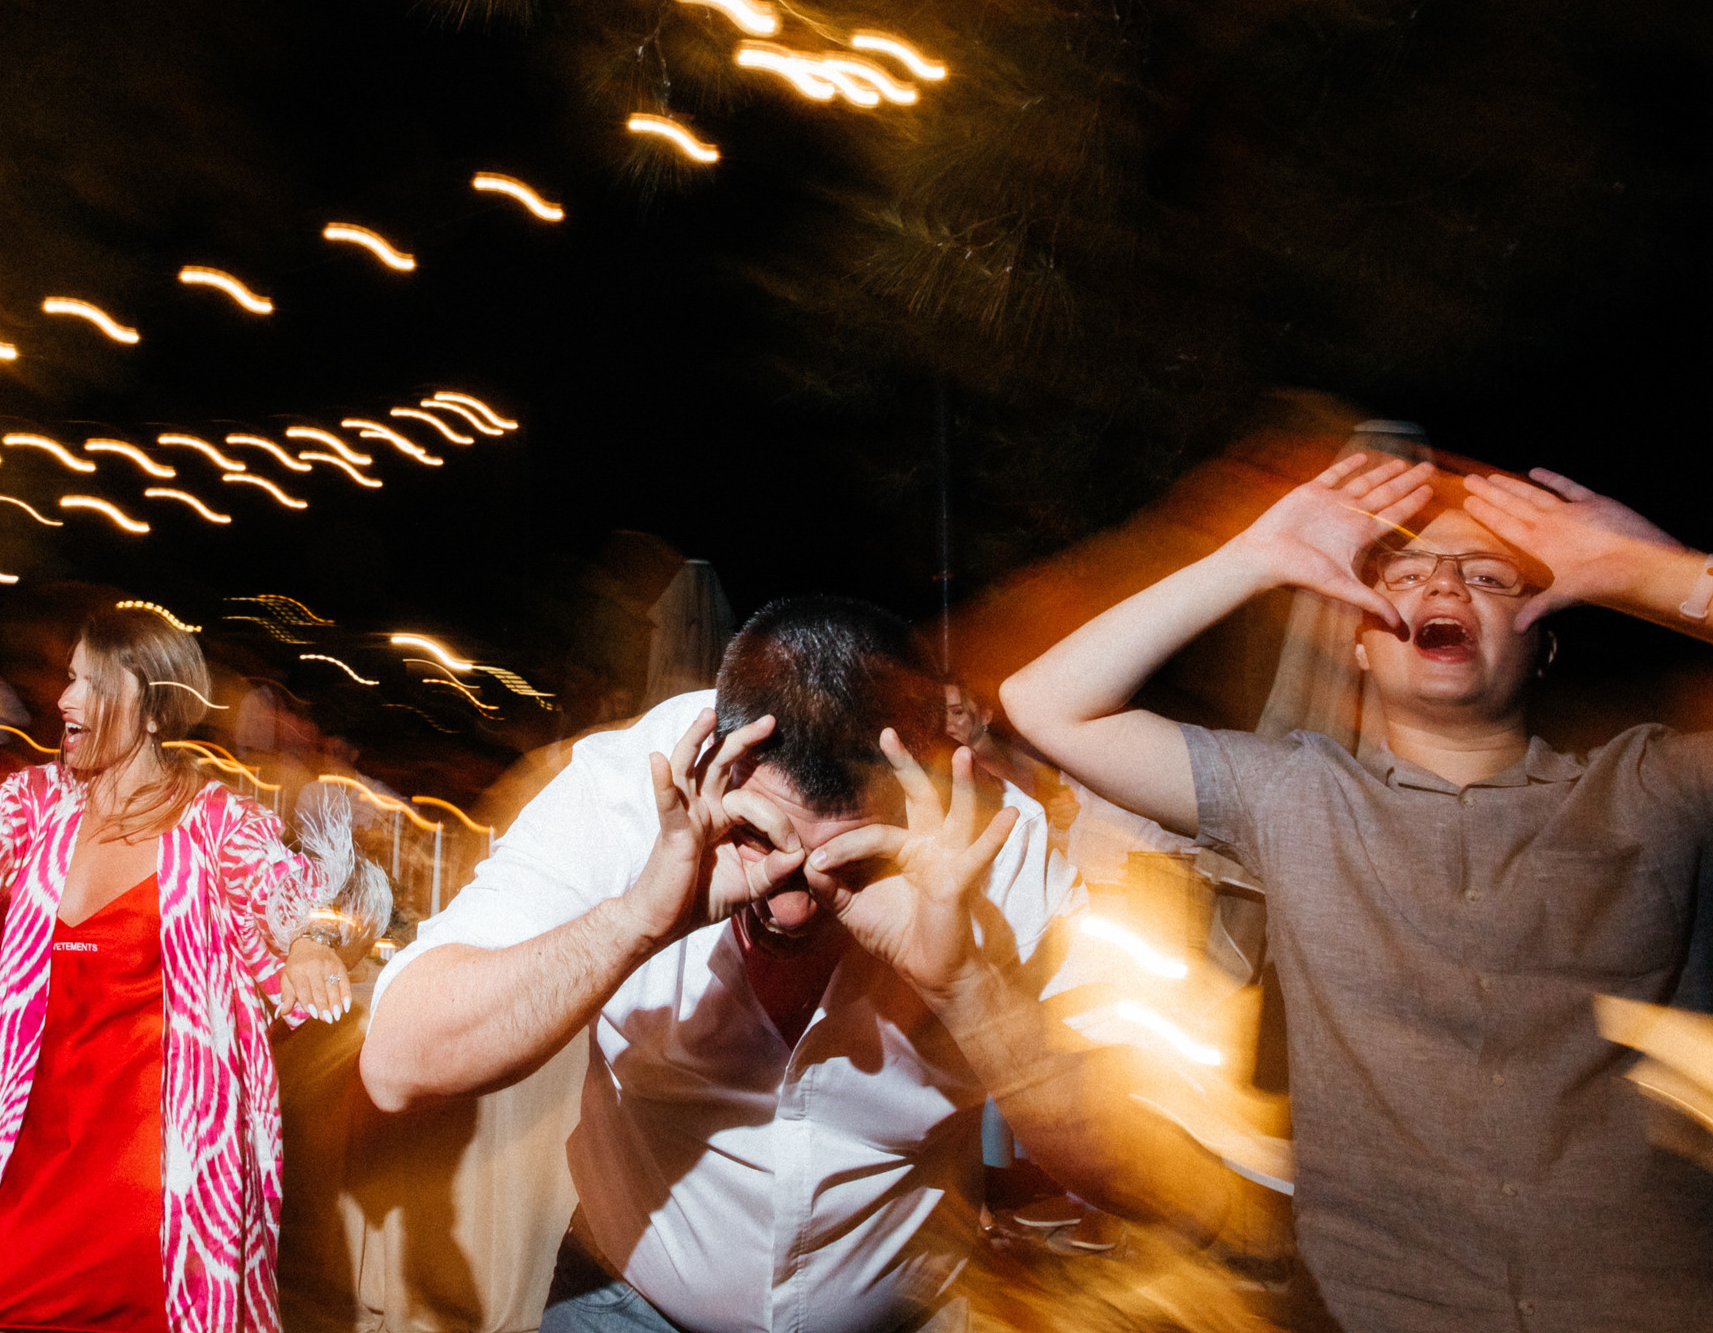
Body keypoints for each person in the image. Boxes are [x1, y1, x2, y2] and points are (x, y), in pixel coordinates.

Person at [360, 596, 1262, 1333]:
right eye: (758, 839)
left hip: (900, 1316)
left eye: (850, 863)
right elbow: (399, 1065)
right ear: (718, 753)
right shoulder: (623, 796)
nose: (791, 901)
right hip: (624, 1304)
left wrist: (967, 989)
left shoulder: (998, 853)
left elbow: (1151, 1181)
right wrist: (639, 918)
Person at [999, 451, 1713, 1331]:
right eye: (1407, 573)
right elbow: (1047, 704)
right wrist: (1254, 558)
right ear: (1363, 648)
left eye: (1488, 576)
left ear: (1544, 642)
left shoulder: (1657, 788)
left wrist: (1660, 576)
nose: (1444, 585)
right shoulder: (1294, 794)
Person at [0, 606, 391, 1333]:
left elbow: (282, 894)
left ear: (151, 703)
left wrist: (307, 945)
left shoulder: (216, 821)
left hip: (149, 1175)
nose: (64, 700)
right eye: (69, 680)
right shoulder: (31, 803)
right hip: (6, 1148)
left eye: (90, 684)